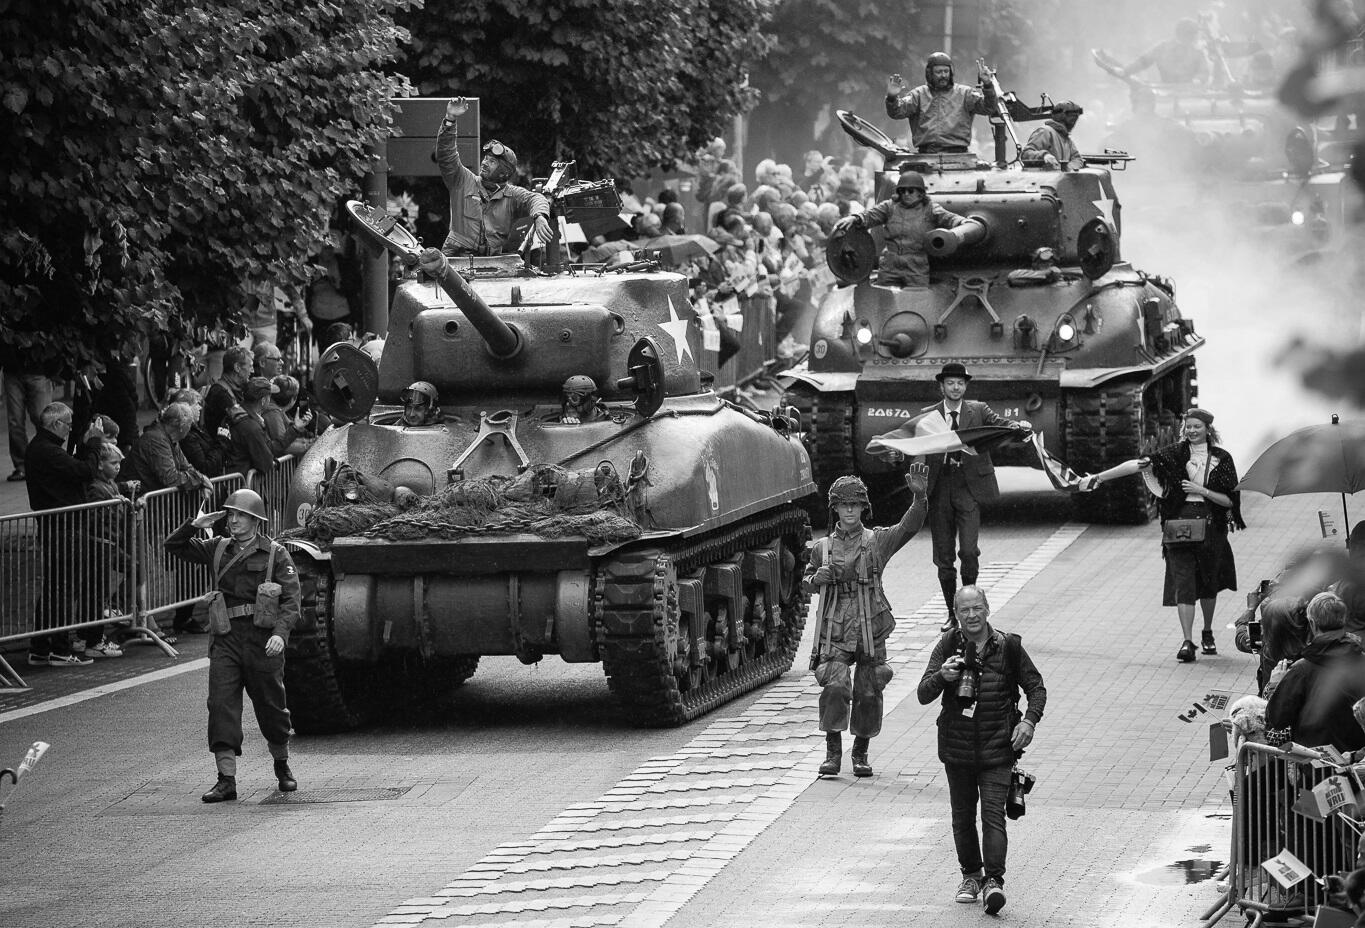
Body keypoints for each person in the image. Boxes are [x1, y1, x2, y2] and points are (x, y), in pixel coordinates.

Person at [164, 488, 301, 801]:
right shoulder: (217, 548)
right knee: (221, 706)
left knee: (271, 707)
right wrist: (193, 525)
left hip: (262, 640)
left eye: (240, 515)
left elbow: (292, 600)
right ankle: (226, 779)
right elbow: (173, 546)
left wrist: (280, 633)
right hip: (226, 639)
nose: (234, 520)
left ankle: (282, 764)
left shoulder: (275, 554)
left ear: (255, 520)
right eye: (231, 514)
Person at [917, 585, 1045, 915]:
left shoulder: (1009, 646)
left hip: (998, 748)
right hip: (957, 749)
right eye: (964, 610)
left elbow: (1036, 688)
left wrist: (1028, 723)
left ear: (987, 609)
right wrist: (943, 677)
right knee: (962, 818)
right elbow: (922, 693)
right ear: (956, 615)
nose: (972, 615)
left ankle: (994, 882)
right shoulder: (947, 645)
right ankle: (971, 876)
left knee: (992, 817)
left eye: (977, 608)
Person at [1080, 407, 1245, 662]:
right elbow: (1139, 464)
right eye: (1188, 427)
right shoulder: (1173, 454)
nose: (1191, 431)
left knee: (1209, 584)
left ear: (1208, 430)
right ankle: (1188, 641)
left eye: (1196, 427)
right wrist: (1099, 478)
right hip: (1179, 524)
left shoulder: (1222, 459)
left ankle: (1207, 631)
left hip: (1212, 527)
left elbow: (1229, 501)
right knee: (1184, 584)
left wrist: (1202, 490)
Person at [806, 464, 930, 778]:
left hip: (870, 625)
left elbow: (908, 528)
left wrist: (919, 498)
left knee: (870, 689)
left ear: (864, 507)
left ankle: (860, 752)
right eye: (844, 505)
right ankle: (832, 752)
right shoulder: (822, 548)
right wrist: (815, 578)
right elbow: (805, 580)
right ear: (835, 508)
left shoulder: (877, 541)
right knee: (834, 684)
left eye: (855, 505)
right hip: (835, 625)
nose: (850, 510)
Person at [917, 363, 1027, 630]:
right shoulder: (928, 415)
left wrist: (1019, 426)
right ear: (941, 386)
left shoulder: (978, 410)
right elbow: (912, 444)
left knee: (968, 551)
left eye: (960, 383)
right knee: (944, 558)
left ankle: (968, 609)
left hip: (968, 488)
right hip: (940, 487)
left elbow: (1000, 425)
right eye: (950, 383)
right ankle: (952, 615)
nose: (956, 388)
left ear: (966, 386)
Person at [26, 402, 105, 667]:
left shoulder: (44, 449)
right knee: (61, 589)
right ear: (55, 424)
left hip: (59, 525)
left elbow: (73, 468)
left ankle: (40, 647)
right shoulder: (47, 451)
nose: (70, 429)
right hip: (63, 527)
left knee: (53, 589)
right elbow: (84, 471)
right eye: (68, 425)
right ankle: (59, 648)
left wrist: (82, 444)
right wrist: (93, 444)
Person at [436, 96, 550, 257]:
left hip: (491, 262)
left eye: (492, 161)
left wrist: (539, 216)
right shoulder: (463, 181)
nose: (484, 162)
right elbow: (446, 155)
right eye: (486, 158)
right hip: (456, 257)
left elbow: (536, 198)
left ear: (504, 172)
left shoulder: (512, 196)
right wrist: (450, 119)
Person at [832, 171, 978, 289]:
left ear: (920, 193)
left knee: (916, 302)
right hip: (890, 263)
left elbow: (950, 219)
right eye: (903, 191)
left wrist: (964, 222)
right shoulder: (890, 207)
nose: (906, 194)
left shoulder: (930, 209)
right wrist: (855, 218)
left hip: (916, 264)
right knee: (884, 301)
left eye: (911, 190)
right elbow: (870, 216)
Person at [1265, 591, 1365, 752]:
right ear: (1344, 620)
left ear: (1312, 623)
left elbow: (1277, 720)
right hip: (1358, 766)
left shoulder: (1301, 669)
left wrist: (1275, 686)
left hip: (1314, 767)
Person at [885, 52, 996, 154]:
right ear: (930, 74)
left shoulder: (965, 94)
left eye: (946, 71)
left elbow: (988, 108)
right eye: (938, 72)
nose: (943, 75)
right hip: (926, 155)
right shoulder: (918, 95)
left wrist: (987, 84)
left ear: (951, 72)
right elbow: (897, 112)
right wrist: (892, 97)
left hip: (959, 156)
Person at [121, 402, 212, 494]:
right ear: (182, 426)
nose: (190, 429)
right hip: (144, 499)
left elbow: (186, 467)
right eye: (190, 425)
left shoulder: (170, 439)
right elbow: (171, 478)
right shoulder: (156, 439)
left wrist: (200, 480)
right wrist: (199, 480)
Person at [1, 346, 52, 482]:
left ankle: (47, 460)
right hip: (12, 369)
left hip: (37, 368)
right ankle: (22, 465)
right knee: (15, 421)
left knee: (43, 418)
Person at [1122, 18, 1211, 84]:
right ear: (1186, 35)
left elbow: (1204, 72)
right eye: (1193, 34)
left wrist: (1198, 80)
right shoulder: (1162, 48)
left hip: (1192, 95)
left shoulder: (1197, 53)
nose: (1196, 38)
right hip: (1166, 92)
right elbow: (1143, 61)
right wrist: (1126, 71)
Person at [224, 377, 277, 483]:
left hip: (232, 482)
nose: (270, 399)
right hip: (242, 487)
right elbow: (265, 463)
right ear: (263, 400)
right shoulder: (251, 427)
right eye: (269, 396)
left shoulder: (234, 413)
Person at [204, 345, 253, 440]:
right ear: (237, 367)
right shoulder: (221, 393)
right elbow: (243, 428)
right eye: (250, 366)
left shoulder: (237, 389)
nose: (252, 370)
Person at [1020, 101, 1085, 171]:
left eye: (1076, 117)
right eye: (1073, 117)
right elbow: (1026, 154)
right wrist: (1044, 156)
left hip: (1061, 179)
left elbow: (1077, 158)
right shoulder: (1045, 132)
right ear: (1061, 116)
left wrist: (1068, 168)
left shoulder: (1067, 140)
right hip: (1044, 180)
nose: (1074, 121)